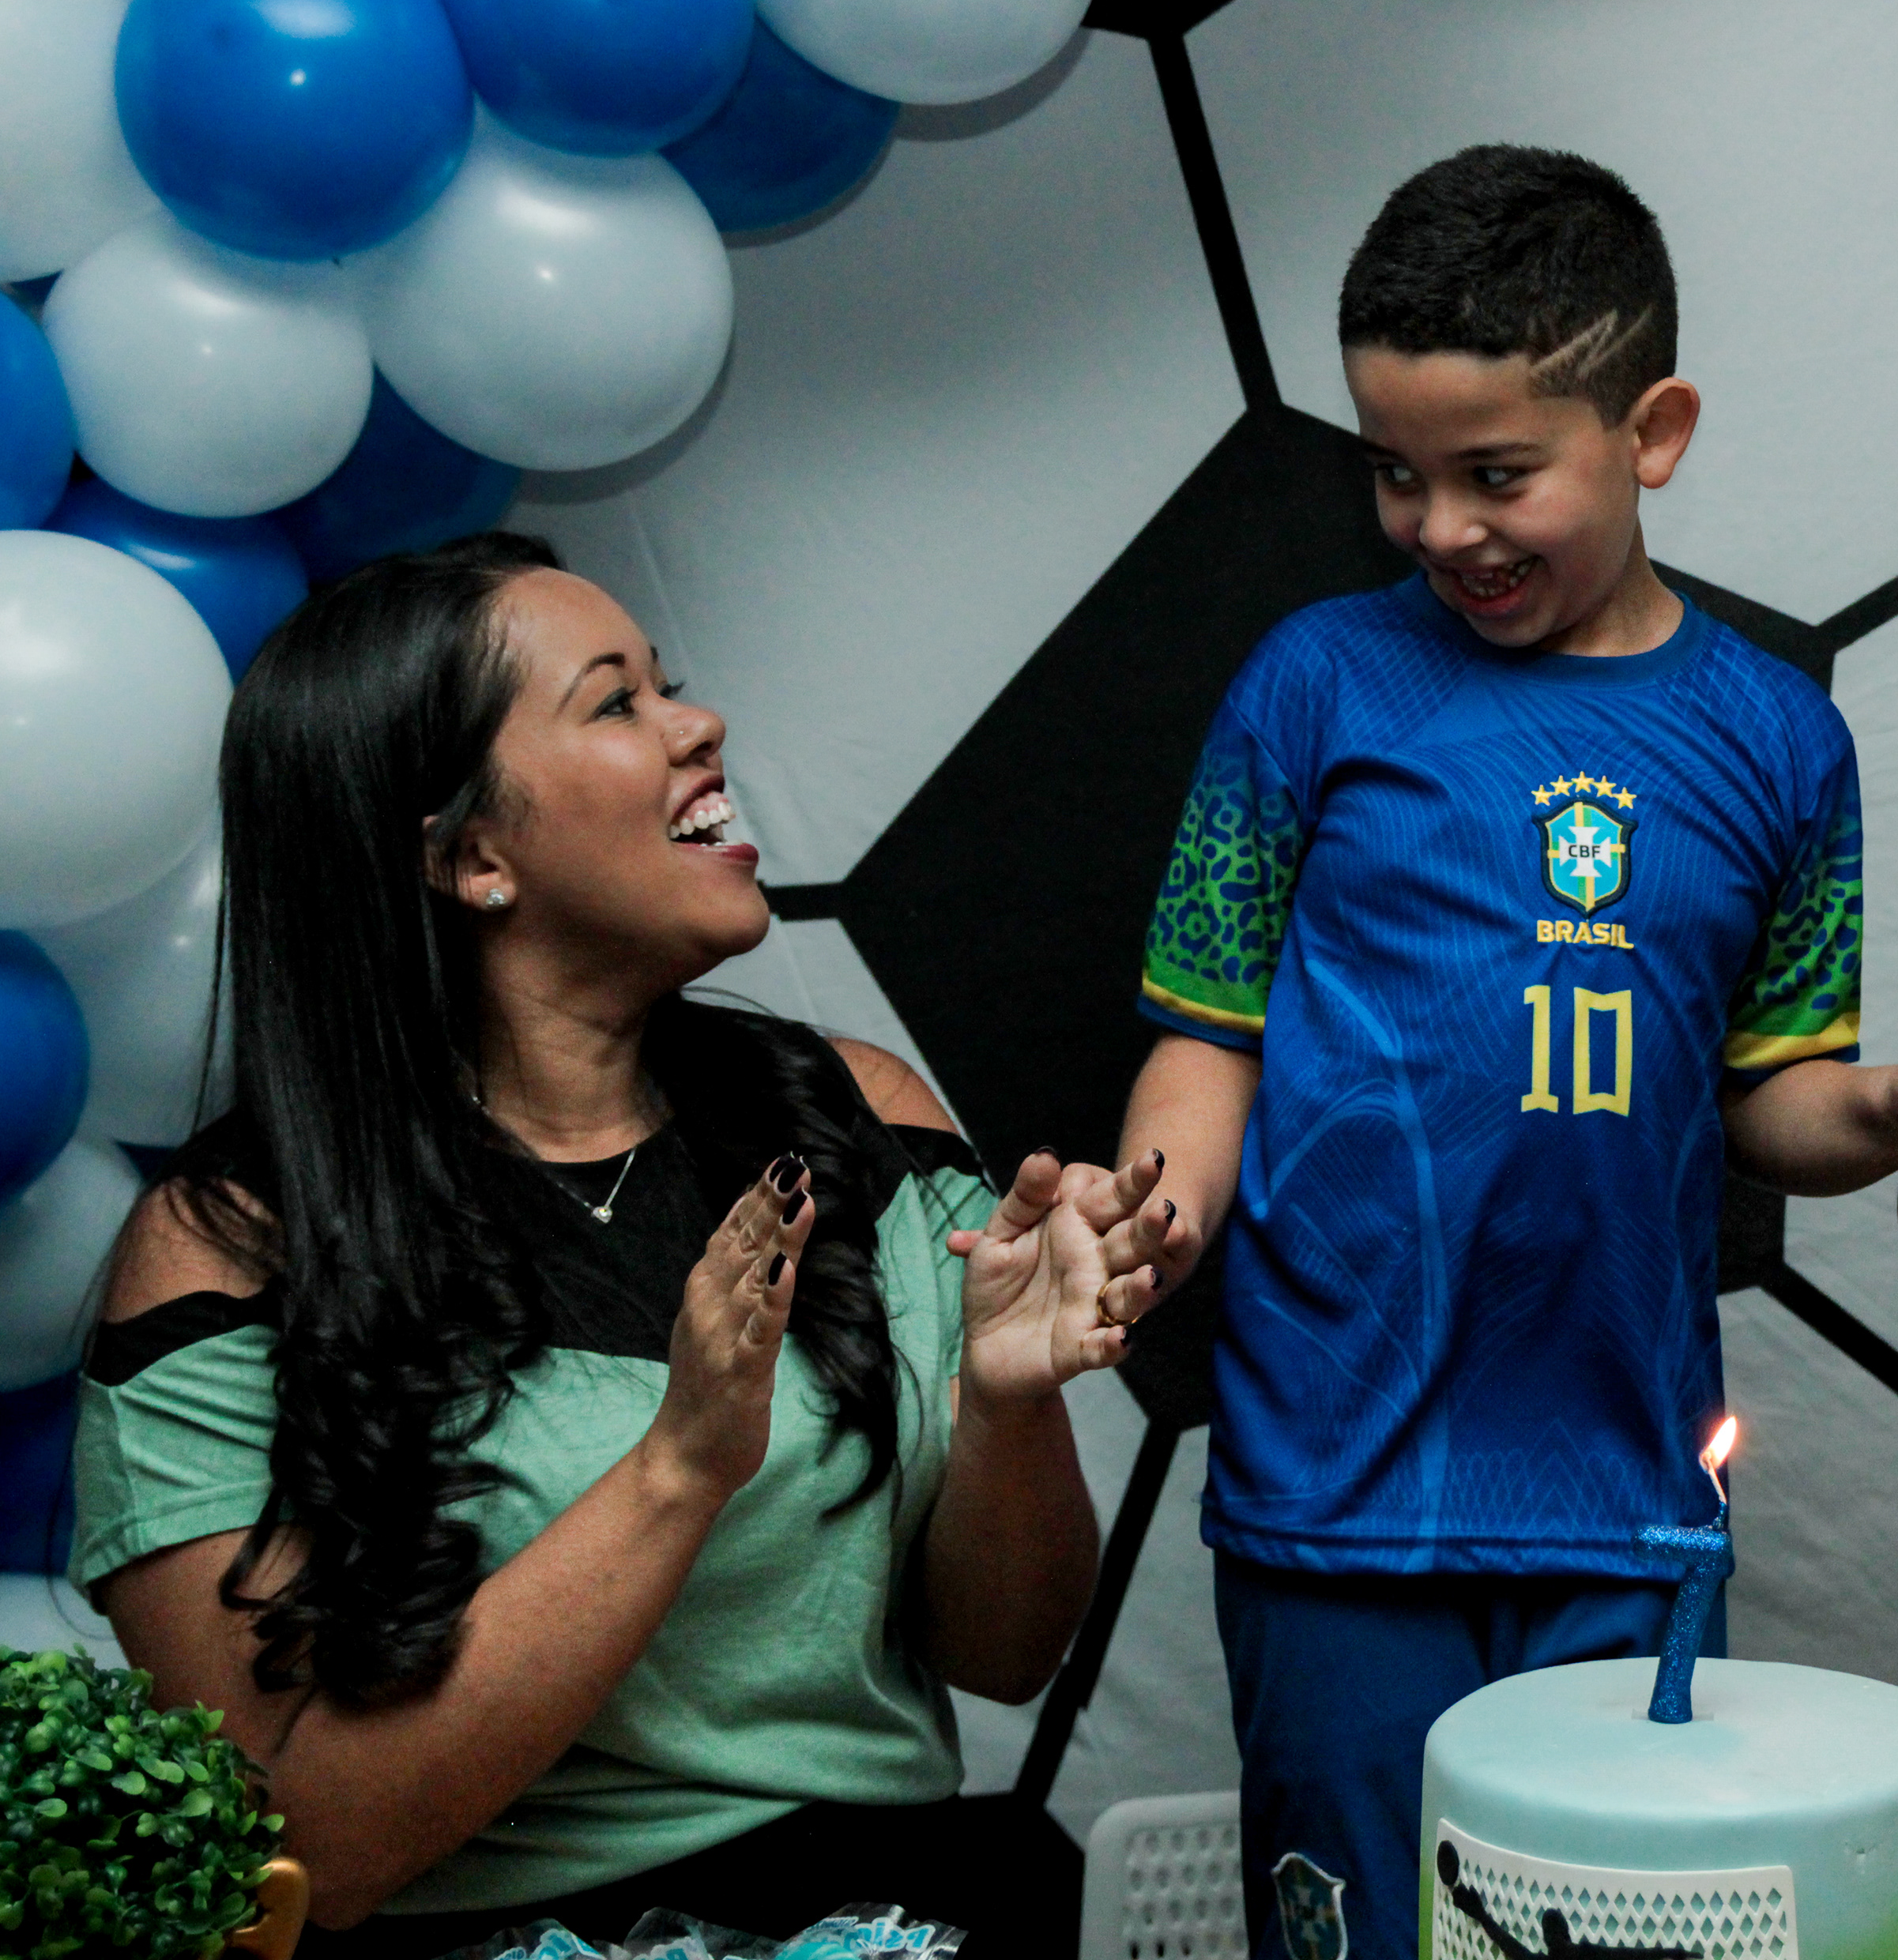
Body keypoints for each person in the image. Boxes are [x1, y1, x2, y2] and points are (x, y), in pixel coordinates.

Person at [1095, 144, 1898, 1960]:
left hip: (1624, 1503)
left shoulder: (1779, 738)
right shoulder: (1313, 683)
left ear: (1651, 431)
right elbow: (1209, 1034)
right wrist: (1155, 1217)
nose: (1439, 527)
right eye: (1396, 474)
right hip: (1334, 1485)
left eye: (1497, 473)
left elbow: (1779, 1104)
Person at [72, 533, 1163, 1957]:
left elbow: (1005, 1655)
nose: (697, 725)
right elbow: (307, 1849)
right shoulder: (225, 1253)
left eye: (673, 686)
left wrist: (1009, 1408)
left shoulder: (856, 1118)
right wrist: (679, 1466)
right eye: (615, 703)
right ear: (471, 857)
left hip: (892, 1917)